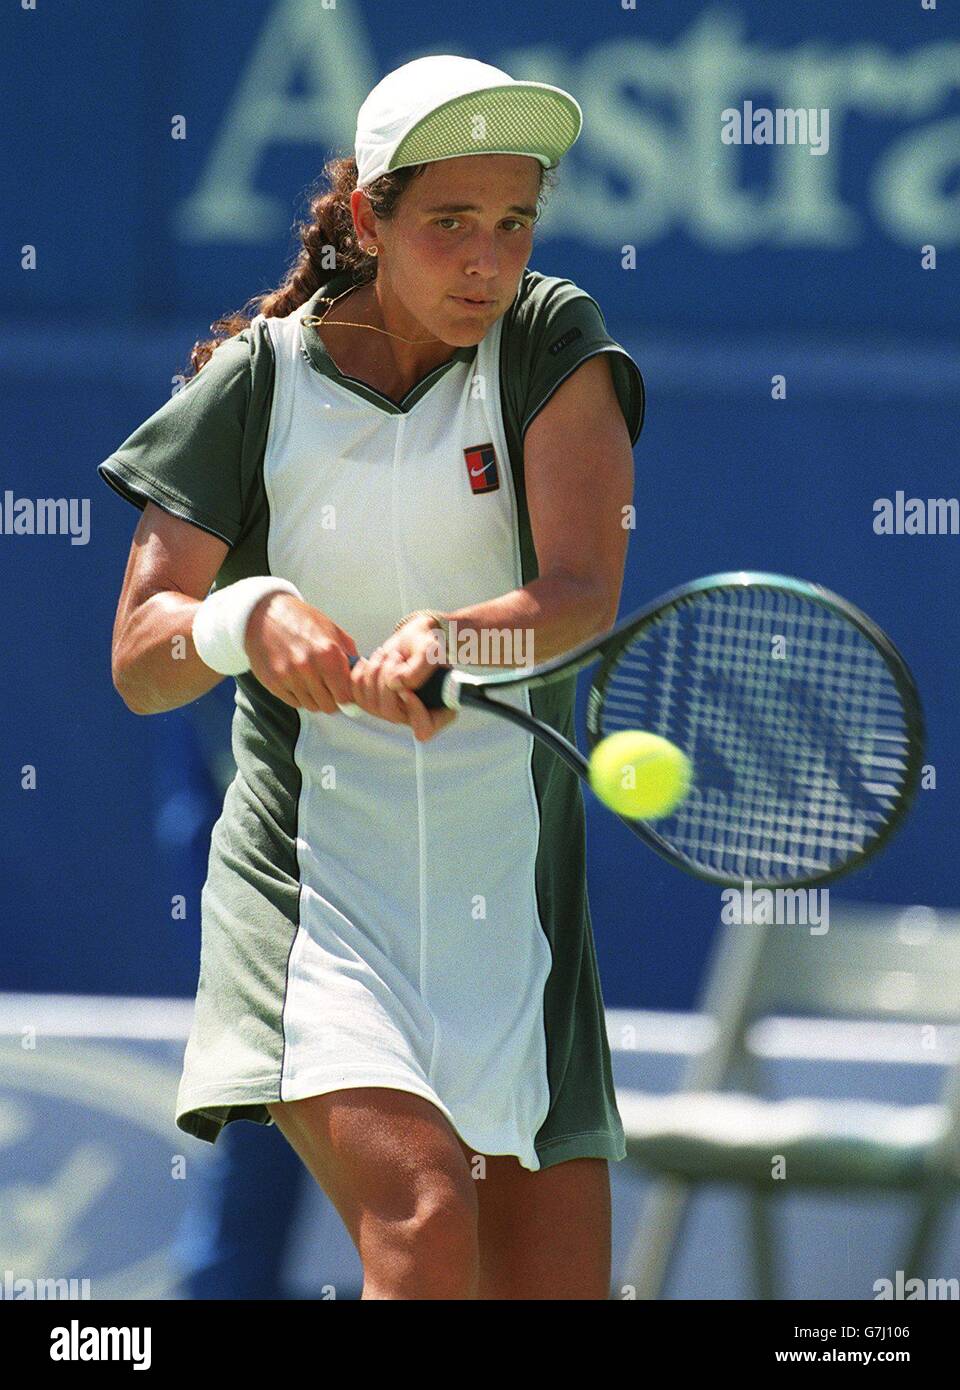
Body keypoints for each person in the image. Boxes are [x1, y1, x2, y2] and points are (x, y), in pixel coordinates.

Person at [100, 54, 645, 1299]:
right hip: (313, 901)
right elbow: (143, 655)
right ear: (367, 218)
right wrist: (246, 614)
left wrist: (455, 640)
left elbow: (578, 596)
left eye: (513, 224)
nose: (485, 261)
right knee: (424, 1212)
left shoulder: (552, 336)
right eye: (449, 222)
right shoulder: (255, 382)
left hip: (516, 912)